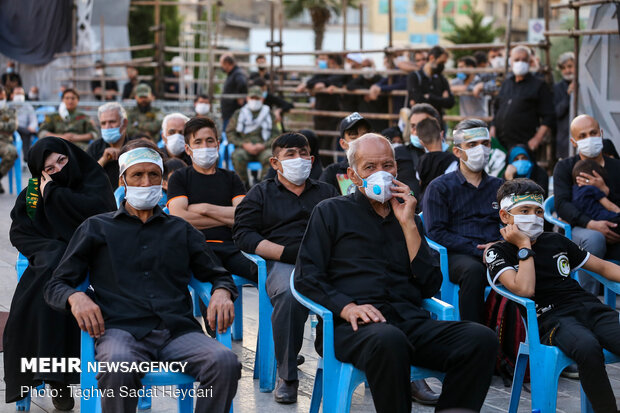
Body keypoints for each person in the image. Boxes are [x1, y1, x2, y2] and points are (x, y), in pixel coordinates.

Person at [295, 133, 498, 413]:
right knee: (389, 340)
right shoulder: (330, 212)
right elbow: (306, 277)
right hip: (354, 328)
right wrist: (347, 307)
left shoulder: (409, 217)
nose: (381, 174)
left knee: (481, 339)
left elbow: (429, 285)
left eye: (387, 165)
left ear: (396, 169)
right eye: (370, 167)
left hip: (409, 321)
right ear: (354, 176)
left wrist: (409, 226)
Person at [44, 139, 241, 413]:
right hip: (120, 331)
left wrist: (221, 291)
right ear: (123, 180)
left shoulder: (181, 230)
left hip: (177, 331)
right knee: (118, 365)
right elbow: (56, 283)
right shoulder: (96, 228)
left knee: (224, 362)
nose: (146, 181)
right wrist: (76, 296)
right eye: (137, 174)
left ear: (163, 181)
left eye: (154, 175)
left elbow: (218, 275)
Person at [485, 178, 620, 413]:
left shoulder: (556, 241)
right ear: (505, 216)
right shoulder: (498, 251)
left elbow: (604, 268)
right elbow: (525, 289)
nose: (534, 217)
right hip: (550, 319)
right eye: (524, 210)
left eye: (538, 211)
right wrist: (524, 245)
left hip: (587, 306)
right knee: (587, 348)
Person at [5, 137, 116, 410]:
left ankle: (59, 374)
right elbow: (20, 230)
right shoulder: (33, 190)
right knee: (47, 279)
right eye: (50, 169)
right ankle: (56, 378)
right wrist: (48, 249)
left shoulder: (91, 176)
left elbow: (100, 216)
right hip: (51, 256)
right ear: (39, 172)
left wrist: (54, 191)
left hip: (93, 251)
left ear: (70, 155)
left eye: (62, 161)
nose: (59, 168)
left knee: (58, 275)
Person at [233, 133, 339, 403]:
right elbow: (243, 234)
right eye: (290, 154)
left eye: (304, 154)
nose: (299, 160)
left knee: (359, 288)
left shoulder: (326, 192)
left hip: (327, 260)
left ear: (312, 159)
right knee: (290, 296)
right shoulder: (261, 193)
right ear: (275, 162)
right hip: (282, 260)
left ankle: (332, 348)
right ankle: (288, 375)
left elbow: (343, 226)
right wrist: (285, 253)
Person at [423, 119, 503, 323]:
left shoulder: (500, 187)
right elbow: (436, 232)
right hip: (456, 255)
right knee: (473, 271)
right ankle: (475, 336)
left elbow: (512, 224)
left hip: (496, 251)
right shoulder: (440, 187)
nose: (481, 150)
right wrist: (479, 250)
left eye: (485, 144)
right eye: (472, 145)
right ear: (457, 151)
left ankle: (519, 338)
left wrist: (501, 246)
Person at [168, 116, 256, 284]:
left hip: (233, 248)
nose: (205, 147)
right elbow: (180, 218)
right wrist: (227, 219)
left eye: (210, 141)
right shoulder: (180, 178)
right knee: (217, 283)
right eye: (198, 142)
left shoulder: (231, 178)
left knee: (264, 273)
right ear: (188, 149)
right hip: (198, 248)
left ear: (217, 144)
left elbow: (244, 216)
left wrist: (204, 208)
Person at [553, 114, 620, 294]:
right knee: (595, 238)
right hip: (579, 228)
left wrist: (606, 192)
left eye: (593, 133)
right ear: (574, 142)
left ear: (601, 133)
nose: (589, 139)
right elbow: (562, 204)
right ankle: (587, 300)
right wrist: (591, 224)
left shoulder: (616, 167)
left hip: (615, 227)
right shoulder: (565, 167)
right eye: (582, 136)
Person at [491, 46, 555, 152]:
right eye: (517, 60)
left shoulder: (538, 85)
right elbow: (497, 107)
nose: (520, 63)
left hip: (523, 145)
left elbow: (549, 116)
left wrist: (537, 138)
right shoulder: (507, 83)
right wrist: (493, 127)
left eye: (524, 60)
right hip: (500, 145)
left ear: (529, 62)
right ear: (511, 62)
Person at [226, 85, 280, 187]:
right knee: (237, 156)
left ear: (262, 99)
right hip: (244, 148)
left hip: (264, 148)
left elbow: (276, 135)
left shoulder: (269, 114)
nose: (254, 101)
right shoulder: (239, 114)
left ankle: (264, 186)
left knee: (271, 158)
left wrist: (263, 145)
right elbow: (230, 133)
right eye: (252, 98)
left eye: (257, 98)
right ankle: (243, 186)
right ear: (247, 98)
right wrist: (244, 144)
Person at [395, 103, 443, 201]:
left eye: (422, 125)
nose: (416, 131)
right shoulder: (397, 153)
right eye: (413, 126)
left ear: (436, 126)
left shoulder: (450, 160)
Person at [319, 112, 371, 194]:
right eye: (353, 137)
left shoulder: (380, 169)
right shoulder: (332, 173)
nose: (360, 141)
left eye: (365, 136)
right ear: (343, 143)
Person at [86, 102, 134, 190]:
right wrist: (103, 160)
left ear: (124, 123)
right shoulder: (94, 148)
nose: (107, 127)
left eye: (112, 122)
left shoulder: (135, 147)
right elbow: (85, 178)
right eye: (103, 123)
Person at [406, 46, 454, 126]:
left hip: (438, 124)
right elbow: (418, 99)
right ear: (432, 58)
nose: (442, 66)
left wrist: (430, 97)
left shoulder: (441, 79)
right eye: (441, 62)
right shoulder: (414, 76)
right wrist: (442, 99)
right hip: (420, 125)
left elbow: (450, 102)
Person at [570, 160, 620, 232]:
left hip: (585, 222)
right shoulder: (593, 189)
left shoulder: (574, 189)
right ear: (595, 176)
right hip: (604, 219)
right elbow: (610, 206)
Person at [415, 117, 458, 200]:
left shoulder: (421, 161)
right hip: (445, 204)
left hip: (425, 204)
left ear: (421, 142)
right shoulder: (452, 160)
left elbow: (420, 183)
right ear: (441, 134)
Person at [554, 52, 575, 159]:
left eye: (570, 66)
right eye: (564, 68)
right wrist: (568, 95)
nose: (567, 70)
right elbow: (557, 112)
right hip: (564, 141)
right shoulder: (557, 88)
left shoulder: (587, 84)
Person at [220, 53, 248, 130]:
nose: (221, 67)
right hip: (229, 113)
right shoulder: (233, 73)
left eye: (222, 64)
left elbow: (242, 83)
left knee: (229, 134)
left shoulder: (237, 73)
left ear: (227, 64)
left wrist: (240, 96)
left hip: (232, 113)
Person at [9, 86, 37, 161]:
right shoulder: (8, 106)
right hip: (12, 130)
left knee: (26, 133)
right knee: (26, 132)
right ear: (12, 95)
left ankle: (25, 158)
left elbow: (33, 120)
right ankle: (26, 158)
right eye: (17, 94)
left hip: (24, 130)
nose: (19, 96)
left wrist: (31, 127)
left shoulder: (28, 106)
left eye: (21, 94)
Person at [0, 85, 18, 193]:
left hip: (4, 142)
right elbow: (7, 126)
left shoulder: (11, 111)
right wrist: (3, 126)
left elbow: (13, 126)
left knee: (12, 152)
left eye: (1, 96)